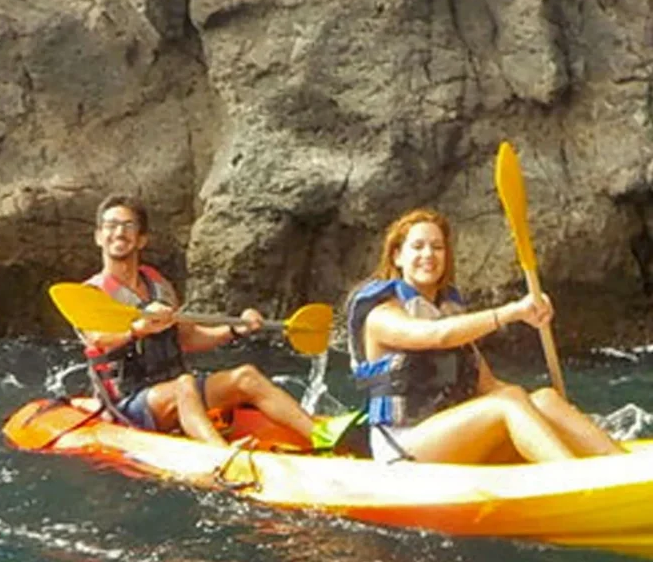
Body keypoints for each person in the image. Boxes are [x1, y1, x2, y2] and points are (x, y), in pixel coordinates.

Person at [346, 208, 626, 464]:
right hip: (401, 447)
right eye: (417, 247)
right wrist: (512, 312)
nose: (428, 254)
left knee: (543, 398)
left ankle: (624, 467)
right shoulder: (381, 315)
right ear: (397, 256)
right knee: (508, 402)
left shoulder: (447, 312)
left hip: (452, 439)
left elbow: (490, 386)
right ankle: (576, 481)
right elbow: (437, 336)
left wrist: (551, 415)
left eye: (437, 247)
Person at [77, 193, 314, 446]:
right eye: (111, 225)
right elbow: (99, 339)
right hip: (127, 405)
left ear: (142, 239)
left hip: (176, 392)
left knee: (246, 376)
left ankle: (322, 434)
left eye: (128, 226)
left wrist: (235, 330)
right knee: (184, 384)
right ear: (99, 236)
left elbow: (188, 338)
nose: (119, 232)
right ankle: (221, 455)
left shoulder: (159, 285)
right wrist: (137, 330)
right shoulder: (89, 294)